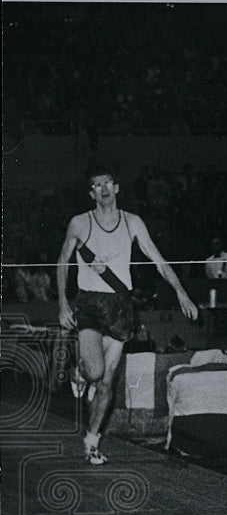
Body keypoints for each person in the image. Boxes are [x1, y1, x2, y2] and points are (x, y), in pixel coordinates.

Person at [56, 166, 198, 465]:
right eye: (98, 185)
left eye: (108, 183)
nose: (104, 189)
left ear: (117, 188)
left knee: (107, 383)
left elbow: (158, 260)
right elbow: (63, 262)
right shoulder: (80, 223)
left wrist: (182, 292)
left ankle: (92, 441)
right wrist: (63, 304)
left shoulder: (132, 222)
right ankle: (79, 371)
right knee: (95, 373)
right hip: (90, 304)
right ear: (91, 192)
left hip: (120, 307)